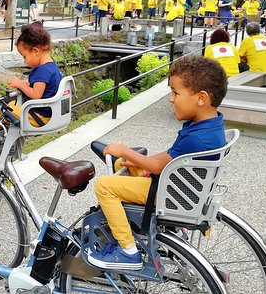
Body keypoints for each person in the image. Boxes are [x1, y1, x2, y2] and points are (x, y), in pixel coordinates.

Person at [88, 56, 227, 270]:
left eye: (175, 93)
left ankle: (128, 250)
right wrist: (132, 159)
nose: (171, 99)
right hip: (181, 186)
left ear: (201, 98)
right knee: (123, 165)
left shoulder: (197, 137)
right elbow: (171, 155)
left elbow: (158, 167)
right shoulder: (209, 125)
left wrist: (124, 150)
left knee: (104, 186)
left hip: (170, 193)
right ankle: (126, 222)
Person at [0, 22, 62, 135]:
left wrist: (20, 85)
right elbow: (43, 89)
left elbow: (36, 95)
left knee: (2, 111)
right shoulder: (51, 66)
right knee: (10, 106)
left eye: (24, 56)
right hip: (48, 113)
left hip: (39, 117)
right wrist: (26, 84)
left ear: (35, 51)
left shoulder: (41, 70)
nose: (24, 61)